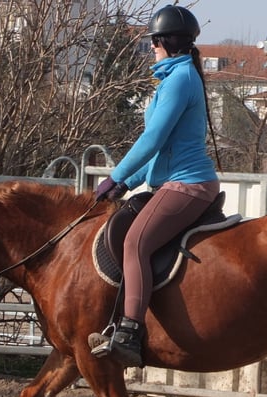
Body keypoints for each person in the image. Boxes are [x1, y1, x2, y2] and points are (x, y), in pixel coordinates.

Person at [88, 4, 220, 368]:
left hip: (188, 185)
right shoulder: (174, 78)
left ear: (164, 41)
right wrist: (126, 183)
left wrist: (115, 176)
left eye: (153, 42)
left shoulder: (179, 80)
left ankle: (130, 332)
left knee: (135, 242)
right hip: (171, 182)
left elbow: (152, 138)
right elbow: (158, 149)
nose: (151, 48)